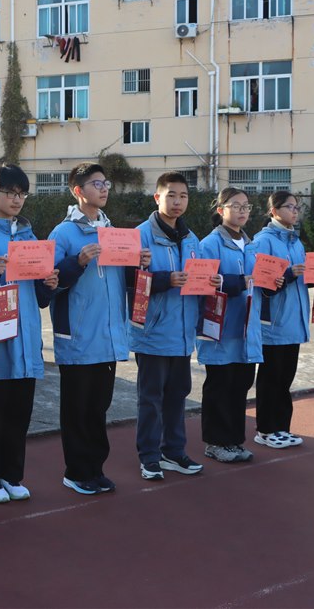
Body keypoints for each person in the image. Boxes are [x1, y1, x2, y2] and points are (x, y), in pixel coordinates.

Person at [48, 163, 150, 495]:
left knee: (98, 408)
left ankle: (95, 468)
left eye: (106, 183)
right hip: (79, 338)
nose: (104, 189)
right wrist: (76, 262)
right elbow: (50, 284)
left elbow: (124, 282)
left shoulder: (114, 232)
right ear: (78, 191)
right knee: (77, 409)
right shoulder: (62, 234)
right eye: (96, 184)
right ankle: (76, 472)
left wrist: (139, 264)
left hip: (109, 336)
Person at [0, 164, 59, 504]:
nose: (17, 200)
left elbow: (40, 297)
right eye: (10, 193)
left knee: (20, 413)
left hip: (26, 337)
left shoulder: (31, 238)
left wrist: (49, 284)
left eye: (22, 194)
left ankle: (11, 474)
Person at [130, 171, 220, 481]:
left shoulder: (191, 238)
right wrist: (165, 280)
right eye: (171, 195)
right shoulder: (140, 236)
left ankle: (174, 451)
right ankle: (149, 456)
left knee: (178, 394)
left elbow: (198, 279)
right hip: (153, 332)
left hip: (182, 333)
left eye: (183, 196)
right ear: (157, 197)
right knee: (151, 398)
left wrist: (211, 281)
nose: (178, 201)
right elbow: (129, 283)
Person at [249, 191, 314, 449]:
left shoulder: (296, 241)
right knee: (271, 378)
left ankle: (281, 427)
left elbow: (300, 280)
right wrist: (290, 274)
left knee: (285, 379)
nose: (295, 211)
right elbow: (263, 283)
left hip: (294, 321)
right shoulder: (263, 241)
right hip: (274, 323)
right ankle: (265, 430)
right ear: (274, 211)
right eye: (289, 207)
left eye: (296, 207)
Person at [196, 188, 263, 463]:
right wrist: (236, 282)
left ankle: (234, 440)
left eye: (246, 206)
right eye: (235, 205)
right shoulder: (209, 245)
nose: (242, 211)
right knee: (219, 386)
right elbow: (204, 282)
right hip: (221, 329)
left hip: (246, 329)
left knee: (240, 385)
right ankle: (215, 442)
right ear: (220, 209)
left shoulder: (252, 245)